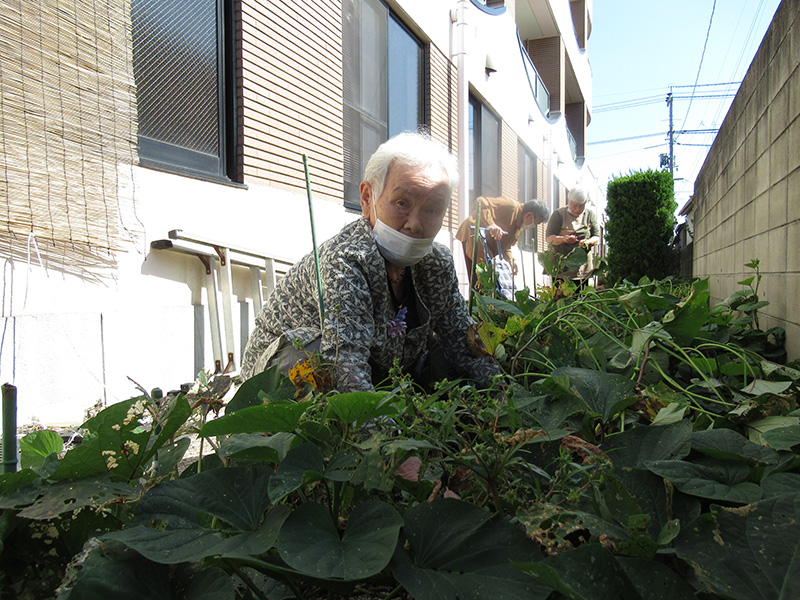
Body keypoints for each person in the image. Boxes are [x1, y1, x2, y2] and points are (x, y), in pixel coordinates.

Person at [240, 132, 501, 392]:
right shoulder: (347, 261)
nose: (414, 224)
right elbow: (345, 365)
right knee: (312, 352)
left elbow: (462, 338)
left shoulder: (436, 263)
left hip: (377, 369)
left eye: (432, 209)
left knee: (444, 348)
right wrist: (384, 421)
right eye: (402, 203)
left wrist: (504, 396)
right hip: (276, 380)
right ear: (367, 199)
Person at [455, 197, 550, 279]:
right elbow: (481, 201)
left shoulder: (519, 227)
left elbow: (506, 246)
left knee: (488, 280)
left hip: (488, 245)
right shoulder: (511, 206)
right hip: (474, 234)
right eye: (535, 223)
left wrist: (510, 259)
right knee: (483, 279)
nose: (533, 226)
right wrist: (491, 224)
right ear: (529, 215)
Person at [544, 185, 601, 287]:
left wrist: (588, 242)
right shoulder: (558, 214)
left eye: (581, 205)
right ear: (568, 200)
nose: (577, 209)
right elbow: (549, 238)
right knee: (560, 295)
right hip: (561, 269)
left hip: (582, 269)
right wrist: (563, 239)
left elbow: (596, 237)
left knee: (581, 295)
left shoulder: (589, 215)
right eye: (575, 205)